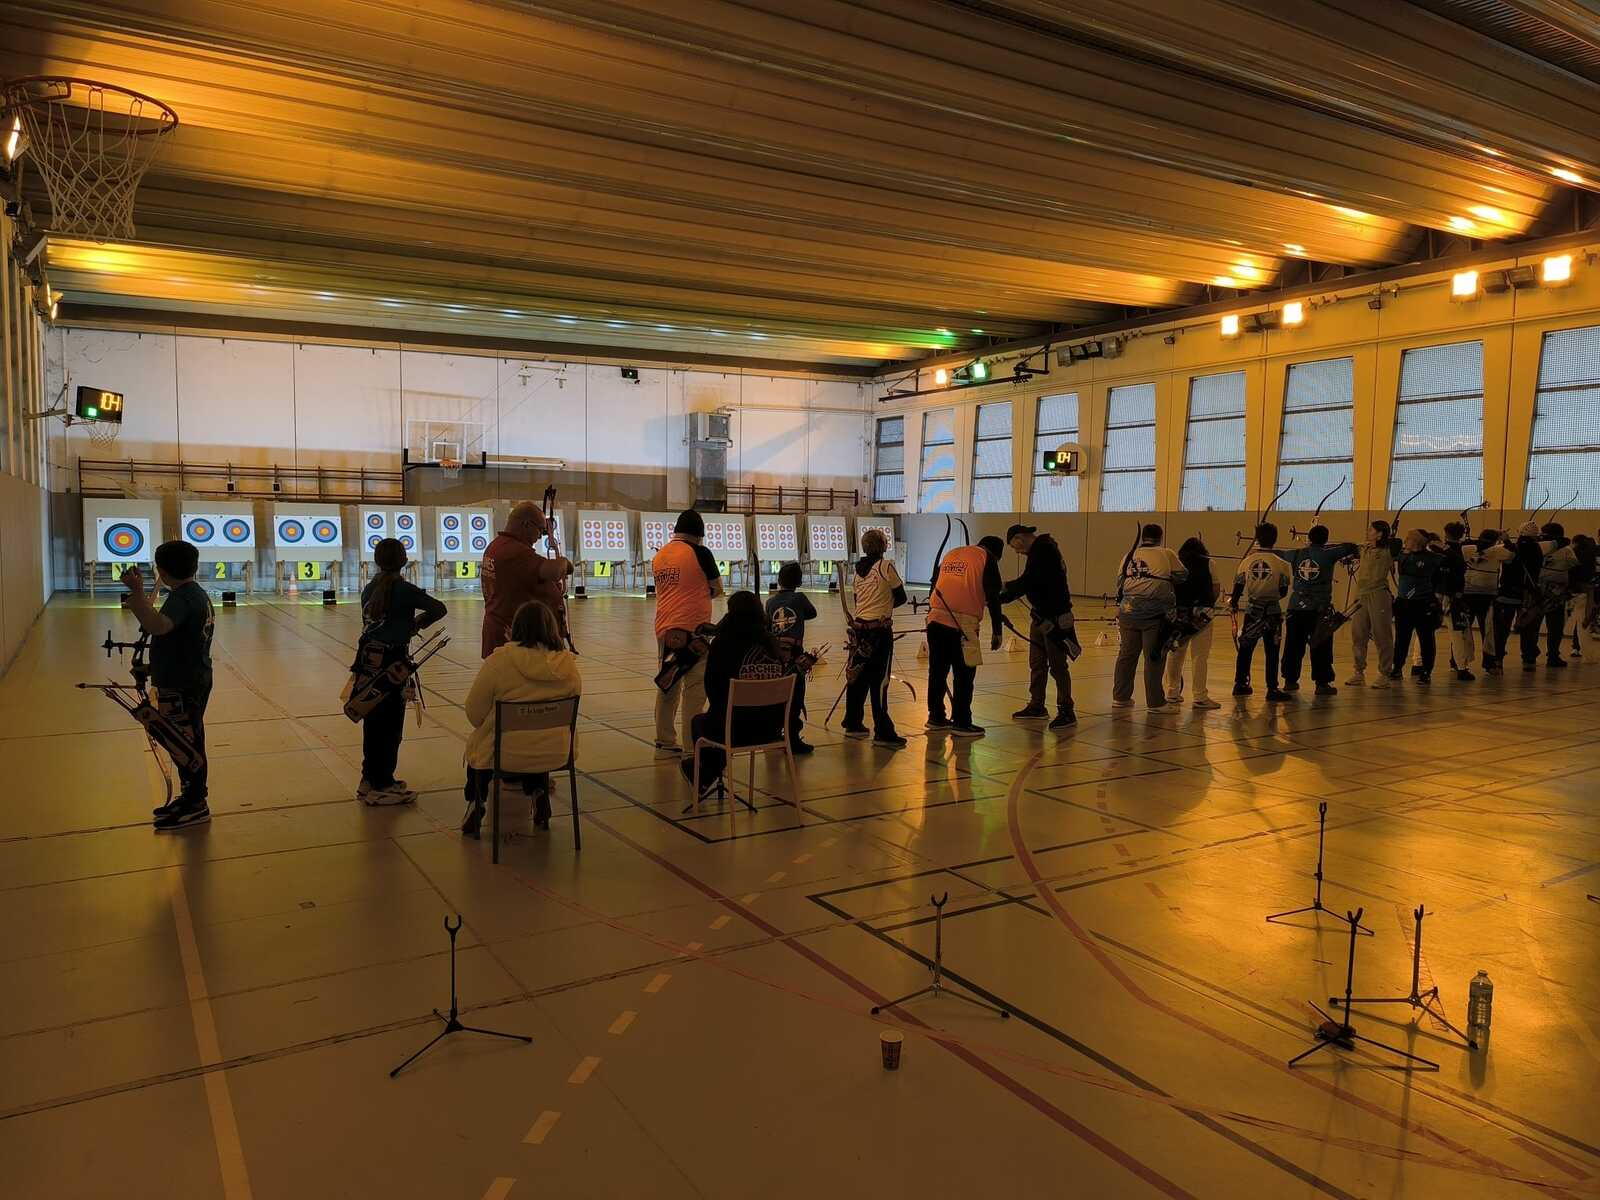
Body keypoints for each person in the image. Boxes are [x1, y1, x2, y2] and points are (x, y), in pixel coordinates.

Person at [460, 600, 581, 838]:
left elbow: (474, 713)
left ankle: (476, 800)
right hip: (557, 751)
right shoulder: (568, 665)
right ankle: (538, 791)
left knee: (484, 744)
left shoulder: (499, 661)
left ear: (515, 628)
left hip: (505, 753)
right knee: (536, 736)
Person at [121, 540, 216, 830]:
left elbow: (158, 626)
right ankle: (190, 797)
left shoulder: (183, 598)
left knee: (185, 744)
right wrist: (152, 668)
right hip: (189, 678)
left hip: (183, 684)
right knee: (183, 741)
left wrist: (137, 594)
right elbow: (183, 642)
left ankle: (196, 804)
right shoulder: (193, 594)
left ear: (161, 571)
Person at [355, 538, 447, 804]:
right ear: (404, 560)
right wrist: (417, 622)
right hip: (393, 663)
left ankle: (369, 779)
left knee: (373, 720)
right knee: (390, 724)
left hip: (368, 661)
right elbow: (439, 609)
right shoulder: (403, 589)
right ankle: (381, 784)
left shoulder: (370, 588)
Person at [680, 591, 790, 796]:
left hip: (736, 729)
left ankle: (705, 774)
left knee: (700, 722)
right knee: (723, 720)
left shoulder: (723, 643)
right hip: (771, 728)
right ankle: (706, 773)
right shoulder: (772, 643)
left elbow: (713, 691)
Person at [652, 509, 724, 756]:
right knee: (694, 687)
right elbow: (717, 588)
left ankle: (664, 741)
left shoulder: (660, 555)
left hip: (665, 628)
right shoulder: (700, 552)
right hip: (694, 630)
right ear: (698, 534)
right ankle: (693, 745)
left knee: (668, 683)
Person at [925, 534, 1003, 737]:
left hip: (935, 619)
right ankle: (962, 722)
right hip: (964, 624)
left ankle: (936, 717)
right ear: (996, 553)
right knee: (964, 675)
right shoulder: (987, 557)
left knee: (937, 671)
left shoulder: (953, 553)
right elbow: (993, 595)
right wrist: (997, 630)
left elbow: (934, 582)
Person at [1000, 523, 1076, 728]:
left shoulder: (1044, 550)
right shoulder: (1039, 551)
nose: (1016, 551)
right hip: (1041, 617)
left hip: (1056, 618)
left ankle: (1066, 709)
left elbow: (1029, 581)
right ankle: (1037, 705)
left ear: (1019, 538)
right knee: (1037, 662)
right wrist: (1003, 596)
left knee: (1058, 665)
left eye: (1014, 546)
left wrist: (1004, 589)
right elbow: (1030, 583)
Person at [1274, 525, 1359, 695]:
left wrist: (1261, 550)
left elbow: (1279, 554)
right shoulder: (1329, 553)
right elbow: (1350, 547)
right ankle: (1322, 683)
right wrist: (1329, 546)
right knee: (1321, 645)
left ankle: (1290, 681)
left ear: (1309, 538)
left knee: (1293, 645)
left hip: (1296, 608)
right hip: (1319, 609)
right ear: (1325, 539)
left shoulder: (1296, 554)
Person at [842, 528, 908, 749]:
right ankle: (883, 731)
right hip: (878, 632)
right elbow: (901, 597)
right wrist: (884, 608)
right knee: (879, 681)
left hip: (859, 629)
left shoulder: (857, 572)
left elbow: (858, 600)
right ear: (884, 546)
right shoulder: (885, 566)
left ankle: (853, 722)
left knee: (857, 676)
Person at [481, 500, 571, 658]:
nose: (540, 536)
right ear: (527, 524)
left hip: (507, 632)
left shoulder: (497, 545)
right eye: (540, 530)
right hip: (512, 638)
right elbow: (554, 571)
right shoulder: (514, 551)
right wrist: (564, 562)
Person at [1114, 524, 1185, 711]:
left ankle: (1121, 697)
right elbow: (1182, 576)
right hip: (1155, 614)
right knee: (1154, 657)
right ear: (1160, 537)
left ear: (1143, 537)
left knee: (1127, 655)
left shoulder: (1128, 555)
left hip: (1128, 612)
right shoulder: (1167, 553)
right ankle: (1156, 702)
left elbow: (1120, 581)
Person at [1231, 523, 1294, 700]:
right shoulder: (1282, 564)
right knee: (1272, 651)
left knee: (1245, 649)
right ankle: (1272, 688)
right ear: (1275, 539)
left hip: (1252, 612)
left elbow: (1238, 587)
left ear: (1257, 538)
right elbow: (1283, 591)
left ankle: (1240, 684)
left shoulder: (1246, 561)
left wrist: (1234, 603)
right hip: (1272, 612)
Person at [765, 562, 817, 754]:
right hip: (794, 654)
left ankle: (773, 732)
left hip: (775, 655)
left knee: (777, 694)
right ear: (799, 582)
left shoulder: (770, 602)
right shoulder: (799, 598)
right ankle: (792, 738)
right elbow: (812, 613)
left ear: (779, 580)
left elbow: (768, 624)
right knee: (795, 696)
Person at [1163, 536, 1220, 709]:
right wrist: (1207, 605)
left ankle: (1172, 692)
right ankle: (1200, 696)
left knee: (1175, 652)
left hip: (1181, 613)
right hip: (1203, 614)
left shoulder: (1176, 563)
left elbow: (1170, 589)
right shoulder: (1209, 563)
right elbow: (1216, 589)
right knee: (1200, 656)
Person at [1346, 520, 1401, 688]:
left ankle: (1384, 674)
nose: (1367, 532)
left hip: (1379, 595)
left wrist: (1384, 539)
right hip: (1361, 595)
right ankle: (1358, 672)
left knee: (1382, 635)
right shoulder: (1364, 549)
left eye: (1371, 530)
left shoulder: (1388, 550)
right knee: (1358, 634)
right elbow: (1347, 548)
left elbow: (1398, 543)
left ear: (1380, 534)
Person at [1391, 531, 1444, 683]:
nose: (1405, 541)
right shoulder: (1402, 555)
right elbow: (1392, 546)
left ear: (1416, 542)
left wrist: (1442, 547)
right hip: (1403, 603)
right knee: (1401, 638)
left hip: (1423, 603)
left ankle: (1426, 671)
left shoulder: (1432, 557)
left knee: (1426, 639)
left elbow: (1454, 562)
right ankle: (1397, 668)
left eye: (1409, 539)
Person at [1528, 521, 1579, 668]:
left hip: (1549, 592)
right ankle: (1548, 656)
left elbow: (1574, 568)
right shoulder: (1565, 550)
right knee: (1551, 626)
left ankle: (1543, 656)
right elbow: (1574, 567)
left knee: (1544, 626)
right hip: (1551, 592)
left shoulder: (1540, 547)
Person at [1462, 528, 1510, 674]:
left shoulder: (1467, 549)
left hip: (1468, 595)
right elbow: (1512, 553)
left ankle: (1458, 663)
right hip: (1486, 597)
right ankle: (1489, 664)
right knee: (1488, 632)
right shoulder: (1498, 551)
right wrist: (1505, 539)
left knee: (1464, 630)